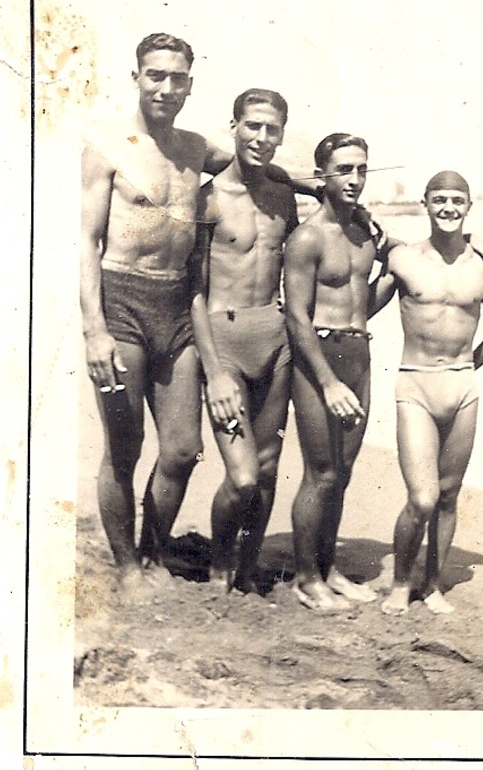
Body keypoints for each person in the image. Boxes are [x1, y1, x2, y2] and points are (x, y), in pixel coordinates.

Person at [80, 34, 312, 595]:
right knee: (125, 448)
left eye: (176, 77)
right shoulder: (107, 147)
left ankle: (154, 553)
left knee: (182, 450)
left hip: (177, 307)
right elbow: (85, 241)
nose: (165, 86)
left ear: (189, 83)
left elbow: (257, 168)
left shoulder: (194, 148)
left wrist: (331, 193)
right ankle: (131, 568)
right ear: (136, 76)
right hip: (122, 300)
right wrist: (94, 330)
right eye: (155, 75)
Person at [379, 170, 483, 616]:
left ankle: (432, 584)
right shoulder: (404, 260)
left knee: (449, 495)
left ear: (469, 206)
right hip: (414, 384)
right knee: (423, 498)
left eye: (457, 200)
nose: (449, 207)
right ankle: (400, 582)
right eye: (440, 200)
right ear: (426, 204)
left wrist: (469, 365)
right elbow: (357, 307)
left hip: (462, 387)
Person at [189, 89, 297, 593]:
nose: (261, 137)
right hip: (225, 343)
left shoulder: (283, 197)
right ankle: (218, 561)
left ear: (281, 134)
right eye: (252, 126)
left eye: (271, 128)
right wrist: (213, 373)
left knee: (270, 468)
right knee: (243, 476)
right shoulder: (206, 199)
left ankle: (250, 564)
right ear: (233, 126)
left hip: (274, 341)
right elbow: (194, 291)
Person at [283, 133, 384, 612]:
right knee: (320, 472)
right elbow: (296, 317)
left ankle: (328, 567)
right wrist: (327, 381)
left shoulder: (366, 234)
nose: (355, 179)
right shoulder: (307, 238)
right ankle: (306, 579)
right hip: (317, 360)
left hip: (358, 354)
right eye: (345, 169)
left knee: (342, 473)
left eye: (362, 169)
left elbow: (366, 300)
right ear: (322, 174)